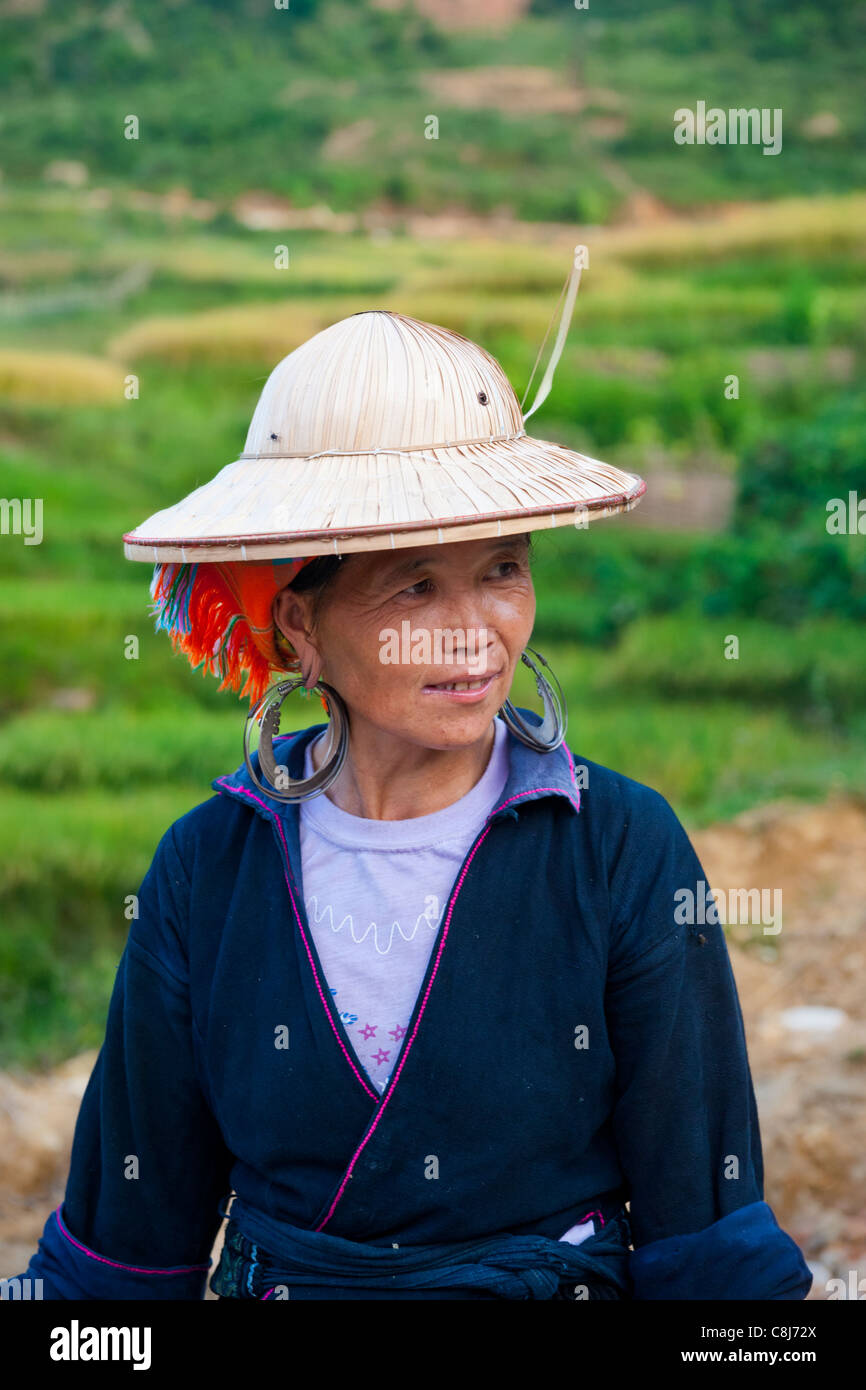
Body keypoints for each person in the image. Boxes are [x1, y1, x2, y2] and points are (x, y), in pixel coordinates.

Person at [14, 310, 811, 1300]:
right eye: (414, 587)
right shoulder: (207, 866)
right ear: (300, 627)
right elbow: (126, 1254)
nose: (474, 631)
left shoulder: (617, 845)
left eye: (501, 571)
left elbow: (708, 1243)